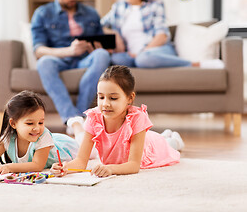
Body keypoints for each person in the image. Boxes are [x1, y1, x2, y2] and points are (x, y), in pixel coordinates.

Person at [51, 65, 184, 177]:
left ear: (130, 98)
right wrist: (65, 168)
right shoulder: (93, 118)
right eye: (101, 97)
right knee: (158, 138)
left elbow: (133, 165)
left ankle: (173, 140)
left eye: (113, 98)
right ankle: (166, 135)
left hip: (153, 149)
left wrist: (111, 169)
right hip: (143, 140)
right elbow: (80, 161)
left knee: (170, 146)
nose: (105, 104)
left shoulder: (137, 118)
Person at [31, 0, 111, 129]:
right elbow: (39, 50)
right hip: (59, 58)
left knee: (102, 54)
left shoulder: (91, 13)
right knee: (44, 62)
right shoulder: (42, 14)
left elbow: (101, 43)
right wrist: (69, 51)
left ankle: (79, 116)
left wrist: (98, 46)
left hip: (84, 59)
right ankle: (71, 118)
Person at [101, 0, 203, 68]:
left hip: (156, 50)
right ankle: (139, 61)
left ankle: (192, 64)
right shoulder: (118, 8)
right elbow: (99, 25)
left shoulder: (155, 5)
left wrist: (141, 52)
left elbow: (161, 36)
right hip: (130, 55)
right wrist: (114, 34)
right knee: (116, 59)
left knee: (143, 59)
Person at [0, 90, 78, 174]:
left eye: (41, 123)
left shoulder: (43, 135)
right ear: (13, 124)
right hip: (54, 140)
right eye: (30, 123)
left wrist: (9, 167)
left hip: (67, 148)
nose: (37, 128)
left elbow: (37, 165)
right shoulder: (8, 138)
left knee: (88, 146)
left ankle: (78, 126)